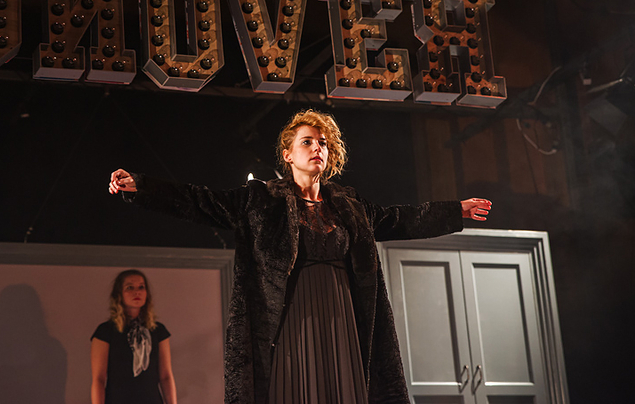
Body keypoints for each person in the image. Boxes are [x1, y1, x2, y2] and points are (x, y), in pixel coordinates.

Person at [109, 109, 491, 404]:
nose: (317, 148)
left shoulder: (349, 204)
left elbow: (399, 219)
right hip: (289, 320)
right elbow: (198, 200)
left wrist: (455, 211)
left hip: (343, 318)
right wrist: (140, 187)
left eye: (323, 143)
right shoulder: (261, 200)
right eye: (307, 142)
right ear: (288, 155)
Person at [91, 269, 177, 404]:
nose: (137, 292)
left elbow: (166, 376)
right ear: (119, 294)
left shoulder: (158, 330)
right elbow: (99, 379)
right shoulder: (106, 331)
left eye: (141, 287)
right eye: (130, 288)